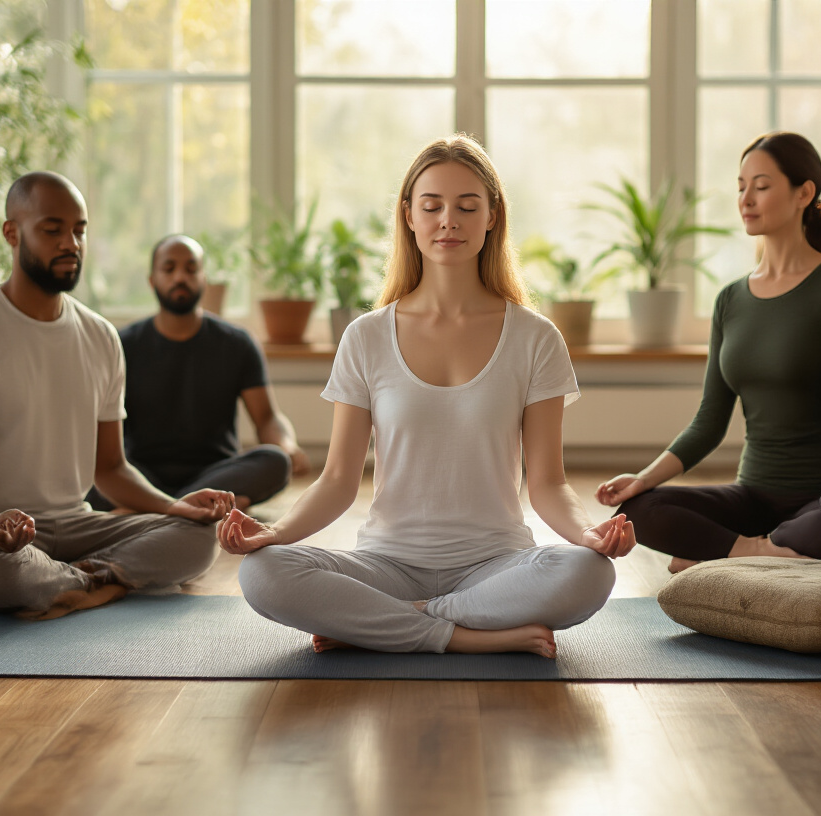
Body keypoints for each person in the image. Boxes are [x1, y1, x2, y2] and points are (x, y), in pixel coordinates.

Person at [217, 135, 635, 657]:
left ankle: (395, 626)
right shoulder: (366, 336)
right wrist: (273, 534)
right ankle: (465, 637)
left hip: (496, 566)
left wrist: (588, 534)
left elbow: (549, 482)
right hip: (386, 566)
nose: (448, 221)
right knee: (262, 573)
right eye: (432, 205)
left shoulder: (535, 338)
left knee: (587, 573)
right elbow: (339, 480)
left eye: (467, 206)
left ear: (492, 217)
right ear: (409, 216)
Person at [0, 172, 231, 620]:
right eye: (52, 230)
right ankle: (99, 581)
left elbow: (110, 469)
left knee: (198, 537)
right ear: (12, 232)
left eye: (79, 230)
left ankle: (76, 583)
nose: (70, 242)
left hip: (72, 526)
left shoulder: (101, 336)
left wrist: (175, 506)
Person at [596, 132, 821, 573]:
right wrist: (642, 479)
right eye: (740, 186)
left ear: (804, 193)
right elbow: (709, 421)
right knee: (638, 509)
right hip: (751, 497)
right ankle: (760, 552)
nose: (746, 199)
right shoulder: (731, 299)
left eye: (762, 185)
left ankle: (725, 551)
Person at [86, 234, 309, 514]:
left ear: (204, 278)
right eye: (169, 269)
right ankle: (201, 507)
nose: (180, 276)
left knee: (276, 461)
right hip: (140, 474)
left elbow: (267, 417)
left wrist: (287, 444)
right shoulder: (122, 345)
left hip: (215, 472)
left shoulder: (238, 343)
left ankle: (159, 508)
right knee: (90, 473)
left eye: (191, 269)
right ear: (152, 280)